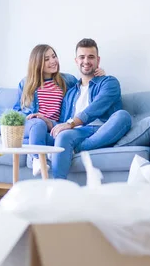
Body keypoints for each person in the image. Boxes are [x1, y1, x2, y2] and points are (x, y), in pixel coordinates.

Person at [48, 38, 133, 179]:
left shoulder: (109, 82)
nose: (86, 61)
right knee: (57, 135)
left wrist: (71, 123)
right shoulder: (70, 93)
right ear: (76, 61)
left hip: (100, 129)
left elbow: (95, 108)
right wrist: (46, 121)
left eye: (91, 57)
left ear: (98, 60)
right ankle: (59, 189)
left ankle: (73, 149)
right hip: (75, 132)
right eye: (82, 57)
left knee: (123, 116)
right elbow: (63, 121)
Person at [13, 43, 104, 175]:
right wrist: (27, 119)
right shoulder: (26, 83)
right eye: (47, 59)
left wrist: (99, 75)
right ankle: (37, 159)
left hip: (54, 126)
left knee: (59, 135)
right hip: (33, 123)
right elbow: (17, 110)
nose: (53, 61)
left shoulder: (67, 80)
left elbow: (85, 86)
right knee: (38, 123)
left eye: (54, 56)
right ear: (37, 63)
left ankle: (45, 148)